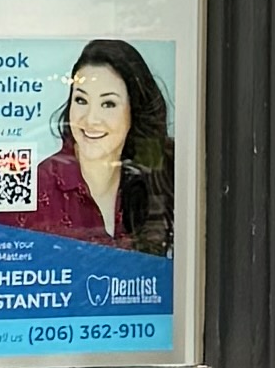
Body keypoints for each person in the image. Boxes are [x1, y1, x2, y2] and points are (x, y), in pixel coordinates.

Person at [17, 37, 176, 255]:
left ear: (133, 112)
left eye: (108, 103)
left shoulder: (157, 174)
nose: (91, 119)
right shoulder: (34, 187)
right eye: (81, 100)